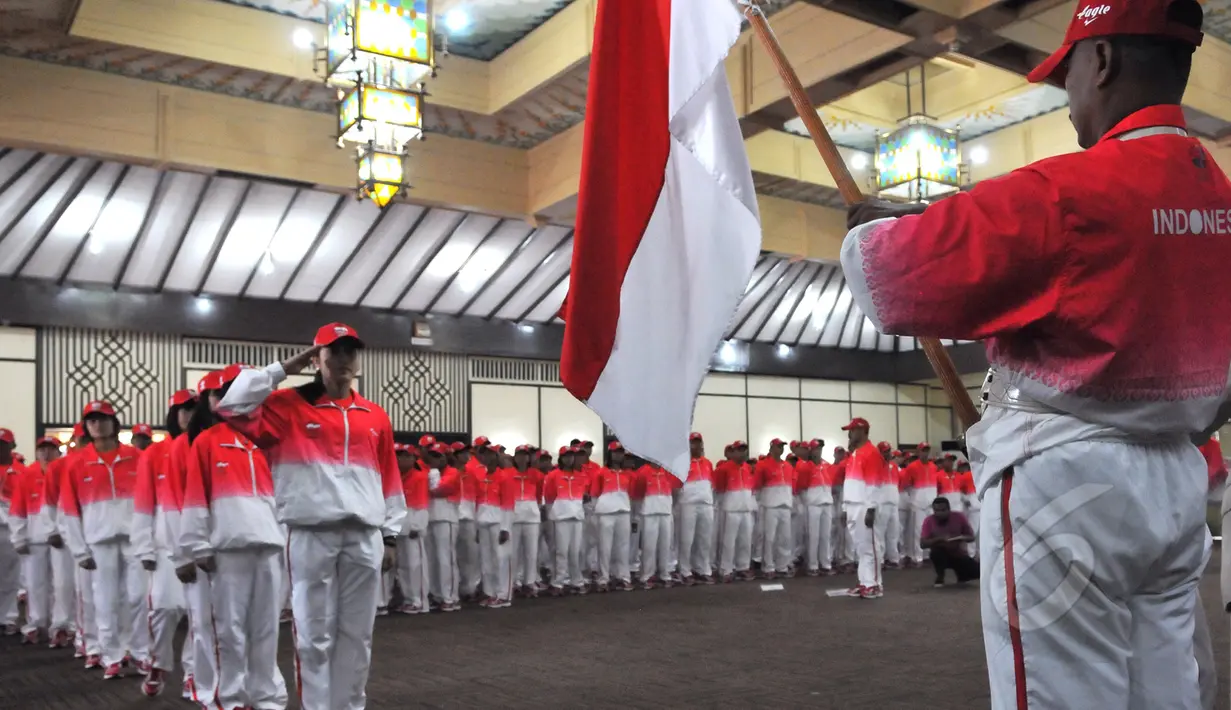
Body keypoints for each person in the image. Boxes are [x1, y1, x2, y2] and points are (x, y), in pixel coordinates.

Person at [843, 0, 1219, 704]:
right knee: (1164, 686)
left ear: (1100, 60)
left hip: (1067, 485)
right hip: (1174, 481)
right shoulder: (1219, 195)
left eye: (1068, 71)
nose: (1069, 95)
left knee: (1063, 691)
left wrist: (868, 230)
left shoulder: (1062, 192)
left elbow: (892, 282)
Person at [216, 323, 406, 710]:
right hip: (309, 534)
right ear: (316, 357)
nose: (343, 359)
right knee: (313, 635)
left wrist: (390, 535)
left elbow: (390, 479)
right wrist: (282, 370)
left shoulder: (375, 415)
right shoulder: (287, 407)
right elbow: (231, 406)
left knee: (357, 633)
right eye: (333, 351)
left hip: (365, 536)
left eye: (350, 351)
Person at [181, 365, 288, 710]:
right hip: (227, 550)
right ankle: (230, 697)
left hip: (269, 547)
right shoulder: (207, 442)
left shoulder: (268, 441)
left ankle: (265, 695)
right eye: (222, 392)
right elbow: (196, 496)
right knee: (229, 629)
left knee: (267, 628)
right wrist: (198, 544)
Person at [59, 400, 150, 679]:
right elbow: (68, 510)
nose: (98, 424)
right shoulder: (76, 463)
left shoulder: (137, 457)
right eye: (92, 420)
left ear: (115, 423)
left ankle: (138, 653)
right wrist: (78, 550)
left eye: (103, 419)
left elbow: (150, 501)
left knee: (137, 598)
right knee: (106, 600)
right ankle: (111, 655)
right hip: (98, 542)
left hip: (135, 539)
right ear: (86, 426)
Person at [131, 389, 196, 697]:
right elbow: (143, 504)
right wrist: (144, 546)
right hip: (165, 545)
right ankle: (159, 664)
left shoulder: (206, 446)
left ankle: (194, 673)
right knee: (165, 609)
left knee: (202, 614)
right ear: (172, 415)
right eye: (182, 410)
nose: (188, 415)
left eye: (194, 409)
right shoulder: (154, 454)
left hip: (204, 543)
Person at [11, 435, 73, 647]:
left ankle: (62, 625)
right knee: (35, 584)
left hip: (62, 539)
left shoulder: (67, 472)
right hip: (35, 538)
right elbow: (18, 508)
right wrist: (18, 537)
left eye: (51, 449)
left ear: (58, 452)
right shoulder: (27, 475)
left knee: (63, 584)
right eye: (42, 449)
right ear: (37, 452)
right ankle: (36, 624)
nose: (46, 453)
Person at [840, 418, 887, 599]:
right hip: (853, 504)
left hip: (864, 506)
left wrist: (871, 508)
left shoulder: (871, 452)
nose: (849, 434)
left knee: (870, 546)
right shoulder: (854, 453)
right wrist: (845, 508)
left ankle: (874, 585)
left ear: (862, 431)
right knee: (860, 547)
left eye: (852, 430)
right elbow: (849, 483)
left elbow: (874, 484)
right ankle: (865, 581)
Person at [543, 447, 587, 595]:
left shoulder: (580, 475)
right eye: (566, 456)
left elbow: (583, 495)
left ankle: (577, 580)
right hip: (561, 517)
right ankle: (558, 582)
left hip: (577, 517)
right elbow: (549, 497)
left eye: (571, 456)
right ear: (561, 458)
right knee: (561, 551)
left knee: (576, 551)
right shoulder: (553, 475)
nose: (569, 459)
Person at [423, 441, 462, 612]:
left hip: (447, 518)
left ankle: (450, 596)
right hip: (430, 518)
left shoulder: (452, 472)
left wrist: (432, 472)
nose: (435, 460)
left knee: (446, 558)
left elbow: (437, 489)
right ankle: (437, 594)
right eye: (433, 456)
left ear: (446, 457)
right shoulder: (428, 472)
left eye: (438, 456)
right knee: (432, 559)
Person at [590, 442, 634, 592]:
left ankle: (623, 577)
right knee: (605, 547)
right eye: (615, 452)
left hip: (623, 512)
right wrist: (596, 515)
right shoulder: (601, 473)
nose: (618, 455)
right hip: (605, 513)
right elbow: (594, 495)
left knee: (623, 547)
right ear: (610, 454)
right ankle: (604, 578)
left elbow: (631, 495)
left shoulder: (627, 474)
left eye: (620, 452)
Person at [475, 446, 512, 608]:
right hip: (483, 522)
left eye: (490, 454)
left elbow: (508, 504)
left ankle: (504, 594)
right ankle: (490, 592)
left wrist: (505, 527)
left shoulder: (504, 477)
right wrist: (477, 526)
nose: (487, 457)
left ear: (496, 457)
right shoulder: (481, 476)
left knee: (501, 558)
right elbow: (477, 502)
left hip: (498, 522)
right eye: (484, 454)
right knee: (486, 560)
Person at [632, 459, 678, 589]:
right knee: (649, 545)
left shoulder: (669, 471)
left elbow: (674, 490)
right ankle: (647, 575)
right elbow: (638, 495)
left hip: (665, 512)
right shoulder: (642, 472)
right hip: (649, 512)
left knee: (665, 545)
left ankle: (664, 573)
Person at [677, 433, 715, 585]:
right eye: (692, 443)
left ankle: (703, 569)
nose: (696, 446)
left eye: (698, 442)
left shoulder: (707, 463)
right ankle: (685, 570)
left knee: (705, 539)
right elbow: (677, 485)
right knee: (687, 539)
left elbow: (711, 482)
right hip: (688, 504)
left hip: (706, 503)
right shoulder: (682, 463)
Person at [715, 441, 756, 582]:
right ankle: (726, 569)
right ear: (733, 452)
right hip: (731, 509)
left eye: (744, 450)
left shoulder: (747, 468)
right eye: (739, 450)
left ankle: (743, 567)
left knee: (745, 540)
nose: (742, 453)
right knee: (729, 541)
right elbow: (719, 489)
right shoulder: (724, 469)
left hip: (746, 509)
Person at [755, 438, 795, 579]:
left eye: (782, 446)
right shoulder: (763, 465)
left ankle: (782, 566)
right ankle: (768, 566)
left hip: (785, 505)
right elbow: (757, 485)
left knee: (785, 538)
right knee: (770, 538)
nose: (781, 449)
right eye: (778, 446)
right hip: (770, 505)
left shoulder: (788, 466)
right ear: (772, 448)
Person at [507, 445, 543, 598]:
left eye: (525, 455)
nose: (523, 458)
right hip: (514, 516)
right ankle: (513, 582)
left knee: (531, 552)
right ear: (515, 457)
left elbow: (540, 493)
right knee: (513, 552)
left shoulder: (536, 474)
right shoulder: (508, 474)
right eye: (520, 455)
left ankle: (529, 582)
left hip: (531, 517)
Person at [920, 497, 978, 588]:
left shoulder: (959, 517)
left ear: (949, 509)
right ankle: (940, 576)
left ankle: (962, 575)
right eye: (936, 510)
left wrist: (961, 538)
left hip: (958, 553)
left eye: (943, 510)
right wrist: (939, 539)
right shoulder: (929, 521)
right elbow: (922, 544)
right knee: (936, 553)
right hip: (940, 554)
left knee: (977, 572)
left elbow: (971, 537)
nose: (939, 513)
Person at [0, 428, 23, 635]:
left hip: (9, 529)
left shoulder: (21, 472)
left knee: (9, 576)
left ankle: (7, 618)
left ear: (12, 446)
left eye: (3, 444)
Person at [798, 443, 834, 576]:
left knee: (826, 535)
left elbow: (831, 482)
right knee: (813, 536)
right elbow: (801, 486)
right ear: (810, 450)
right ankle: (813, 564)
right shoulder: (806, 467)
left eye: (819, 448)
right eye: (815, 449)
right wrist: (806, 501)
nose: (817, 451)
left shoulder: (827, 465)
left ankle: (825, 563)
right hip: (813, 504)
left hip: (827, 503)